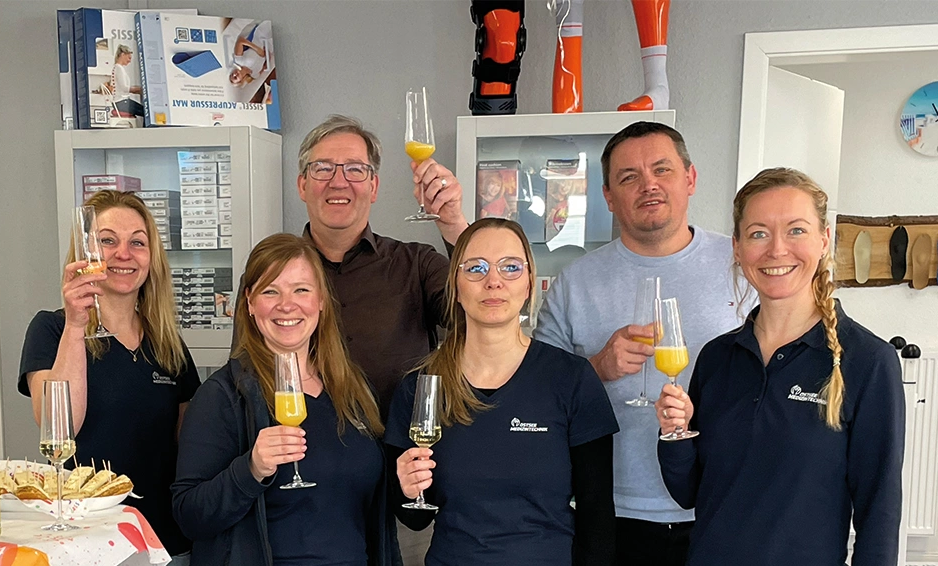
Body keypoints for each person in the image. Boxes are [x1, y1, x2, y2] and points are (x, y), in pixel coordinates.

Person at [655, 167, 905, 564]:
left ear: (824, 240)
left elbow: (879, 512)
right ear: (737, 248)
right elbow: (689, 493)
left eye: (796, 230)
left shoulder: (868, 361)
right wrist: (675, 434)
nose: (776, 249)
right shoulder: (717, 357)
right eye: (758, 233)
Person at [533, 121, 747, 565]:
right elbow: (536, 398)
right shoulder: (575, 283)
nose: (648, 185)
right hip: (609, 513)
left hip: (721, 505)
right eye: (629, 177)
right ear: (609, 197)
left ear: (690, 178)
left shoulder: (742, 266)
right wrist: (596, 369)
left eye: (662, 170)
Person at [390, 218, 619, 566]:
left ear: (529, 283)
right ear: (455, 286)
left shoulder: (571, 379)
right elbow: (415, 518)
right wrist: (407, 488)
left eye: (510, 267)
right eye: (476, 268)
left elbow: (597, 514)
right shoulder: (422, 387)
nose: (493, 281)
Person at [173, 234, 401, 566]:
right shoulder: (222, 395)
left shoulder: (353, 389)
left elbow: (370, 506)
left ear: (321, 300)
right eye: (270, 291)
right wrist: (251, 469)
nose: (286, 305)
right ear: (250, 303)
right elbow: (189, 516)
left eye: (301, 290)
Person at [19, 190, 199, 561]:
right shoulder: (52, 330)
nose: (123, 254)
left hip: (165, 542)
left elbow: (192, 445)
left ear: (152, 258)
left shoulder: (168, 344)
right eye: (107, 241)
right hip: (88, 543)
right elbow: (60, 429)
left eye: (137, 242)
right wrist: (76, 324)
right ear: (85, 254)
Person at [294, 114, 467, 415]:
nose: (338, 182)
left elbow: (476, 315)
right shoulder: (272, 276)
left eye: (355, 169)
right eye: (323, 168)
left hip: (401, 443)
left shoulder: (417, 264)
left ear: (373, 187)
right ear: (302, 186)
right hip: (299, 442)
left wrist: (454, 224)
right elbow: (244, 371)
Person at [111, 44, 144, 118]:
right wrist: (139, 89)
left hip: (119, 102)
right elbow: (124, 88)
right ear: (122, 55)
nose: (130, 61)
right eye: (129, 58)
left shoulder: (116, 68)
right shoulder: (119, 69)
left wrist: (136, 89)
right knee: (146, 111)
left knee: (144, 110)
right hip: (122, 102)